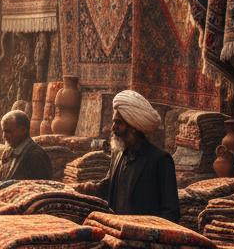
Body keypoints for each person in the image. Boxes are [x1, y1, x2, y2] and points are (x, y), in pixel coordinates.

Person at [76, 90, 180, 222]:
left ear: (133, 127)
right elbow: (109, 186)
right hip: (117, 234)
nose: (113, 128)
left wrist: (151, 236)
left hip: (144, 237)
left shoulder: (160, 160)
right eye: (114, 122)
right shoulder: (118, 154)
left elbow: (171, 213)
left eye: (118, 123)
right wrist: (85, 188)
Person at [0, 110, 53, 181]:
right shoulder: (9, 153)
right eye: (4, 131)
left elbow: (39, 187)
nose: (4, 136)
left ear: (23, 130)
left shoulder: (35, 155)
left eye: (8, 131)